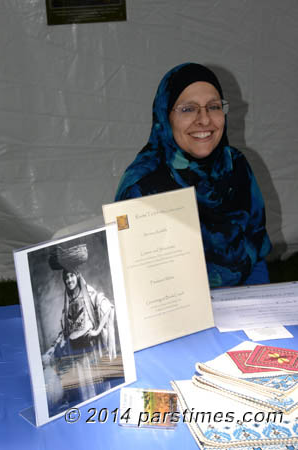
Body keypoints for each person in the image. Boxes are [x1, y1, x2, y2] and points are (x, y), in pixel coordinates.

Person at [115, 63, 272, 288]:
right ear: (164, 116)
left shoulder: (234, 166)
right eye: (188, 109)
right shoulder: (142, 186)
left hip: (242, 305)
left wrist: (259, 306)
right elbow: (138, 285)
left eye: (214, 106)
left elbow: (256, 253)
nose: (205, 119)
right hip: (175, 313)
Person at [43, 267, 116, 411]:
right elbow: (64, 332)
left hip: (92, 350)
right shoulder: (68, 304)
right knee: (86, 392)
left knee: (100, 389)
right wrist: (51, 349)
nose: (69, 280)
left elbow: (107, 308)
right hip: (76, 354)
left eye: (71, 276)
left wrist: (97, 331)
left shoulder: (88, 294)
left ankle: (105, 411)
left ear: (77, 276)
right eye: (66, 278)